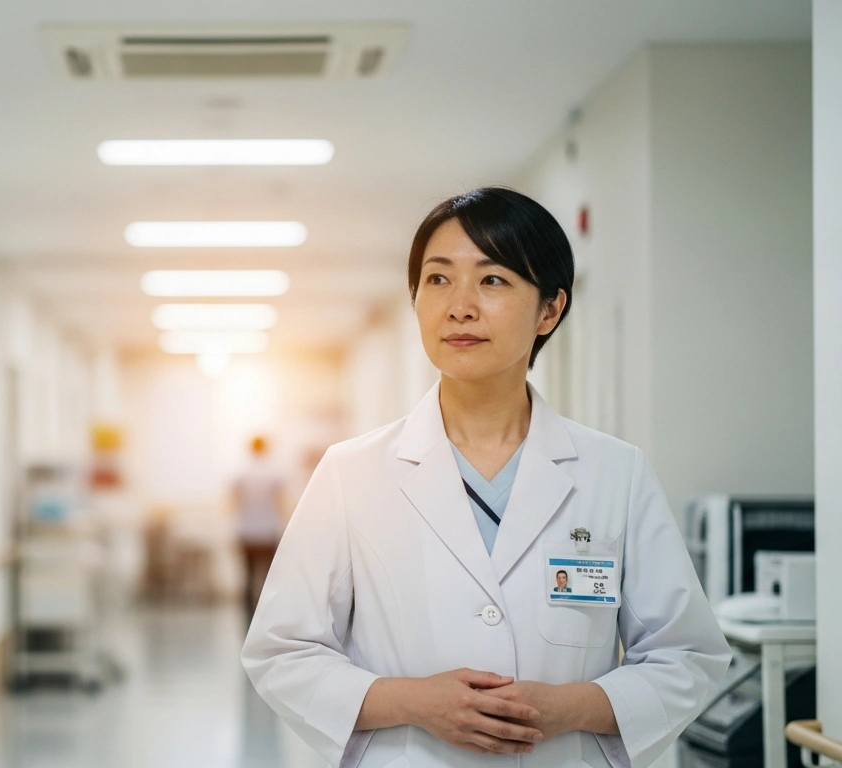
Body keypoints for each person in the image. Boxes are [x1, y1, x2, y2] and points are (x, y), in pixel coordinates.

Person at [241, 187, 729, 768]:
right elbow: (281, 652)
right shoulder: (351, 472)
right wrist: (412, 702)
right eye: (439, 280)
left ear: (550, 309)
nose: (460, 306)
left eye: (493, 280)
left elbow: (687, 656)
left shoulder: (614, 473)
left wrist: (571, 708)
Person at [234, 435, 287, 618]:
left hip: (247, 531)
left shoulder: (241, 473)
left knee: (248, 577)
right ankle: (268, 615)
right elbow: (280, 503)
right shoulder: (275, 473)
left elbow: (235, 502)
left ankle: (248, 616)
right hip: (268, 531)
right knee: (269, 577)